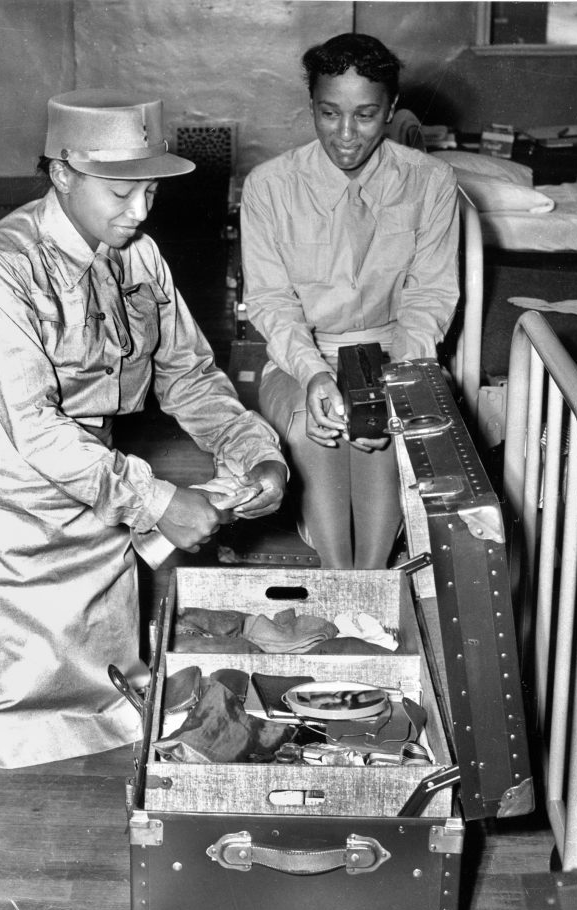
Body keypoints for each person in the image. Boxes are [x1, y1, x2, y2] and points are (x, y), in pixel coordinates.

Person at [0, 91, 287, 769]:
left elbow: (188, 374)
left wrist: (254, 453)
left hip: (93, 488)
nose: (139, 212)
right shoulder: (0, 265)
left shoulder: (138, 257)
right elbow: (36, 428)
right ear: (64, 173)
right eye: (120, 191)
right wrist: (158, 500)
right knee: (4, 724)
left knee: (105, 707)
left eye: (149, 193)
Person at [240, 33, 459, 569]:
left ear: (390, 110)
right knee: (318, 432)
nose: (344, 135)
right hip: (300, 356)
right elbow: (271, 302)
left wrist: (401, 384)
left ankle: (374, 578)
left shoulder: (430, 181)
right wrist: (313, 374)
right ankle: (340, 582)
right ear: (311, 106)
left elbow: (428, 298)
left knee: (383, 441)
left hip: (397, 353)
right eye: (328, 113)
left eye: (364, 115)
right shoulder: (269, 186)